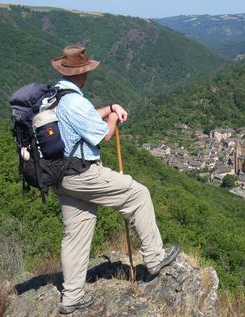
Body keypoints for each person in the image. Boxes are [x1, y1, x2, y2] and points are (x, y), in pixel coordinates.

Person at [51, 45, 179, 315]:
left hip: (61, 176)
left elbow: (82, 121)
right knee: (138, 194)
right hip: (84, 174)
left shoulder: (54, 95)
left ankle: (71, 296)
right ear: (82, 73)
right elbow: (102, 136)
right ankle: (155, 258)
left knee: (75, 234)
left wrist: (109, 107)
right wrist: (111, 117)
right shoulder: (75, 101)